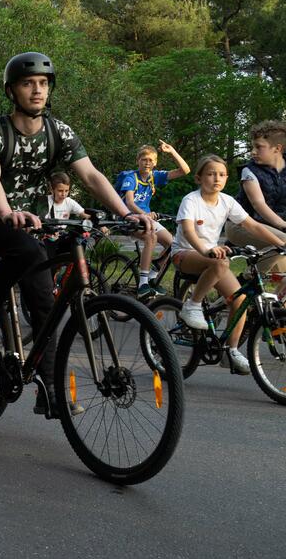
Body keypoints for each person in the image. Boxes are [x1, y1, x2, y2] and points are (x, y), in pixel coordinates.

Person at [0, 52, 153, 418]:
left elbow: (91, 176)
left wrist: (127, 213)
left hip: (36, 221)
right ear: (11, 91)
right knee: (27, 252)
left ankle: (49, 389)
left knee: (45, 301)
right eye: (28, 83)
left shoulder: (58, 131)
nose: (37, 90)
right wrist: (7, 212)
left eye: (43, 83)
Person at [173, 154, 286, 374]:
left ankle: (231, 350)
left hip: (212, 258)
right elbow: (188, 231)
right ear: (199, 178)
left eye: (222, 174)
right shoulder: (191, 200)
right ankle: (192, 305)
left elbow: (253, 226)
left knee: (240, 300)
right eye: (211, 174)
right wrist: (206, 250)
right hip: (185, 254)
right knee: (220, 263)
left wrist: (280, 244)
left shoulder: (227, 201)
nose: (217, 178)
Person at [115, 142, 190, 296]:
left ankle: (152, 276)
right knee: (151, 237)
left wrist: (172, 151)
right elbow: (129, 202)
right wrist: (144, 214)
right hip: (127, 217)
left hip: (146, 218)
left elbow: (185, 170)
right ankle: (142, 284)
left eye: (151, 160)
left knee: (173, 244)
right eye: (144, 159)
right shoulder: (131, 177)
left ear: (155, 163)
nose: (147, 163)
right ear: (138, 161)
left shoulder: (154, 177)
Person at [226, 120, 286, 282]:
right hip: (241, 225)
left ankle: (275, 299)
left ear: (277, 148)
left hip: (272, 227)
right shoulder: (249, 171)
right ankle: (244, 281)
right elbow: (258, 204)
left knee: (282, 275)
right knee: (282, 242)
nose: (253, 152)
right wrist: (283, 225)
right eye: (253, 147)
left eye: (259, 147)